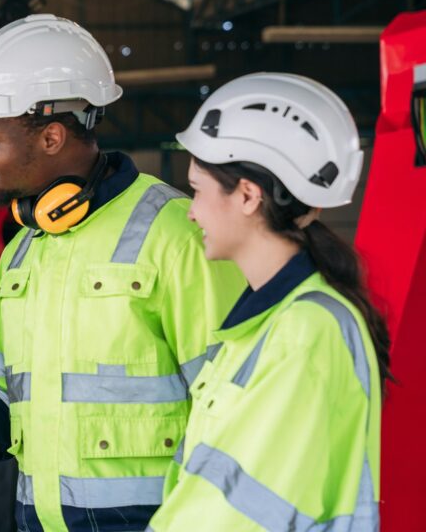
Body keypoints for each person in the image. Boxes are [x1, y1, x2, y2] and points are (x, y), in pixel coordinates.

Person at [0, 14, 247, 531]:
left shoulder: (172, 232)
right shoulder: (23, 251)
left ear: (50, 137)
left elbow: (236, 408)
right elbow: (3, 407)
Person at [143, 73, 388, 530]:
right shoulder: (262, 326)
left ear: (248, 196)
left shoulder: (305, 332)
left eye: (197, 189)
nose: (190, 210)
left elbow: (239, 511)